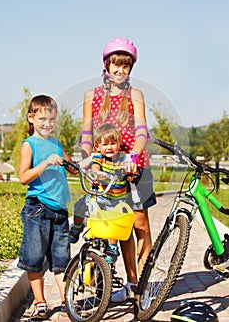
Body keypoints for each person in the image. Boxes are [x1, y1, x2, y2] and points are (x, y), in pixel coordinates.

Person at [79, 37, 157, 302]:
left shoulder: (135, 95)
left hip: (136, 167)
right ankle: (127, 282)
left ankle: (142, 284)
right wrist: (89, 160)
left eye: (126, 66)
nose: (121, 70)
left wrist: (134, 155)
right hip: (107, 169)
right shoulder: (93, 95)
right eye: (116, 65)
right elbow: (87, 132)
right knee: (118, 226)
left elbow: (141, 130)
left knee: (140, 224)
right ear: (107, 66)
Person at [17, 95, 76, 319]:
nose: (47, 124)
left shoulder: (56, 144)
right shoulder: (29, 144)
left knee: (61, 261)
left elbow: (72, 167)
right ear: (31, 118)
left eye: (51, 119)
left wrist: (92, 166)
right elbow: (23, 177)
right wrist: (45, 163)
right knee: (33, 258)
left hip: (60, 210)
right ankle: (40, 302)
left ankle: (66, 301)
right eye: (42, 119)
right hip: (38, 209)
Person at [70, 123, 141, 263]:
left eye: (113, 143)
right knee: (79, 206)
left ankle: (113, 248)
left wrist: (131, 171)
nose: (109, 147)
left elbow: (132, 170)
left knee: (113, 221)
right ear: (97, 146)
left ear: (119, 144)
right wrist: (97, 173)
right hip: (99, 197)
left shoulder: (123, 159)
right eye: (105, 144)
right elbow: (95, 166)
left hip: (117, 200)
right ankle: (77, 227)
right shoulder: (99, 158)